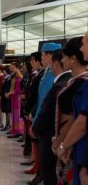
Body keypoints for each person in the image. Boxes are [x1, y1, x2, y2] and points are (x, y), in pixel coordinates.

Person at [31, 49, 72, 185]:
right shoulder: (63, 81)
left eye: (43, 56)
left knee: (51, 171)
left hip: (51, 133)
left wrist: (36, 128)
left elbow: (48, 110)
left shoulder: (60, 84)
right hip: (54, 132)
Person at [51, 37, 88, 185]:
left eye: (85, 44)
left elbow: (79, 120)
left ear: (73, 59)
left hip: (80, 144)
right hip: (74, 142)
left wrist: (62, 144)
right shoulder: (75, 81)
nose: (81, 49)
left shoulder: (82, 83)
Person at [27, 43, 61, 184]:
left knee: (48, 163)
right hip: (41, 118)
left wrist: (37, 124)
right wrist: (33, 113)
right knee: (44, 160)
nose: (41, 58)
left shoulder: (53, 74)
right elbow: (41, 98)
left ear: (50, 55)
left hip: (48, 124)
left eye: (42, 55)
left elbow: (47, 103)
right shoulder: (47, 72)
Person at [6, 62, 23, 138]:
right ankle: (14, 130)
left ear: (17, 68)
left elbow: (18, 89)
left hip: (16, 97)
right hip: (13, 97)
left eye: (13, 68)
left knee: (16, 114)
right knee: (14, 113)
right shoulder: (14, 76)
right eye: (11, 67)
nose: (11, 69)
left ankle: (18, 131)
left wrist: (9, 93)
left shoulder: (18, 76)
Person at [1, 66, 12, 131]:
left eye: (4, 71)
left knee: (7, 111)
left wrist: (6, 93)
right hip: (4, 96)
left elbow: (7, 87)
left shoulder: (9, 78)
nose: (3, 72)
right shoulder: (5, 78)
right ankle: (7, 124)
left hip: (7, 96)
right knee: (6, 111)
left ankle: (8, 125)